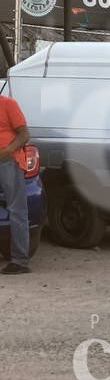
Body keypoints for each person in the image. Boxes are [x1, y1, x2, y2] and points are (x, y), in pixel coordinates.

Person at [0, 94, 30, 275]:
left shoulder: (8, 103)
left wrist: (8, 151)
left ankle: (20, 261)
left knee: (17, 210)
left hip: (8, 161)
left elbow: (25, 134)